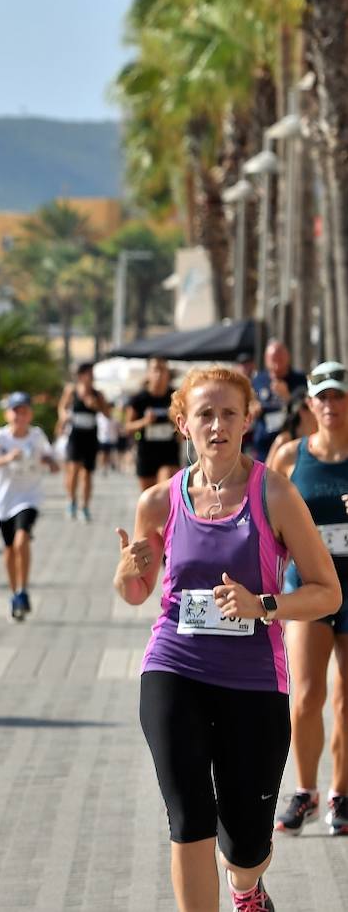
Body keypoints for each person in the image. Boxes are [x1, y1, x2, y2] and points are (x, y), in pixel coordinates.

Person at [113, 365, 339, 912]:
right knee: (189, 817)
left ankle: (246, 886)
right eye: (205, 414)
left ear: (246, 421)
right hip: (174, 666)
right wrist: (127, 570)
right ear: (184, 425)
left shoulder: (276, 495)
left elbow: (326, 591)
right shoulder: (158, 502)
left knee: (245, 842)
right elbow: (137, 592)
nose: (217, 424)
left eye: (229, 414)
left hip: (253, 680)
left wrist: (264, 605)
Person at [270, 362, 348, 836]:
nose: (330, 405)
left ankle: (341, 794)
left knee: (345, 701)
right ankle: (305, 793)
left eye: (338, 396)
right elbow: (263, 517)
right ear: (309, 404)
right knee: (305, 696)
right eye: (322, 396)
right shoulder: (289, 456)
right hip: (309, 586)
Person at [0, 391, 60, 621]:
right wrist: (6, 459)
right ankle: (15, 594)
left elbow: (52, 460)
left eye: (24, 411)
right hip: (3, 501)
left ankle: (23, 588)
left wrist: (49, 462)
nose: (20, 416)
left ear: (30, 414)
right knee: (9, 548)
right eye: (15, 411)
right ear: (7, 414)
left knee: (22, 540)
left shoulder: (37, 436)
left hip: (29, 498)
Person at [58, 361, 111, 522]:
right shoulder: (71, 391)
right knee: (73, 469)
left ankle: (85, 506)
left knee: (87, 473)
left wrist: (96, 406)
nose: (92, 377)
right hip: (75, 434)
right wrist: (64, 417)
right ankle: (72, 500)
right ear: (81, 376)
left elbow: (108, 414)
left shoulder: (97, 394)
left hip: (90, 435)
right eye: (89, 373)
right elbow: (61, 407)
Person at [127, 358, 183, 491]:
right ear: (148, 373)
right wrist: (144, 422)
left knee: (166, 492)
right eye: (155, 370)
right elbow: (128, 427)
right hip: (146, 453)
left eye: (162, 370)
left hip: (169, 453)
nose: (159, 374)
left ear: (168, 374)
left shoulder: (175, 396)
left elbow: (187, 422)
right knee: (149, 498)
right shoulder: (139, 399)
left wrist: (177, 424)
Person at [251, 339, 308, 462]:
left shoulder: (299, 380)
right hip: (263, 445)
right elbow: (248, 404)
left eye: (280, 360)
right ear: (266, 360)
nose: (276, 365)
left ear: (288, 358)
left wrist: (287, 397)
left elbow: (307, 411)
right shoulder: (258, 380)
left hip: (291, 443)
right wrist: (253, 407)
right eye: (273, 360)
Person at [266, 389, 316, 465]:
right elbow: (265, 474)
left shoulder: (317, 441)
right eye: (312, 407)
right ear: (302, 411)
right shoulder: (284, 441)